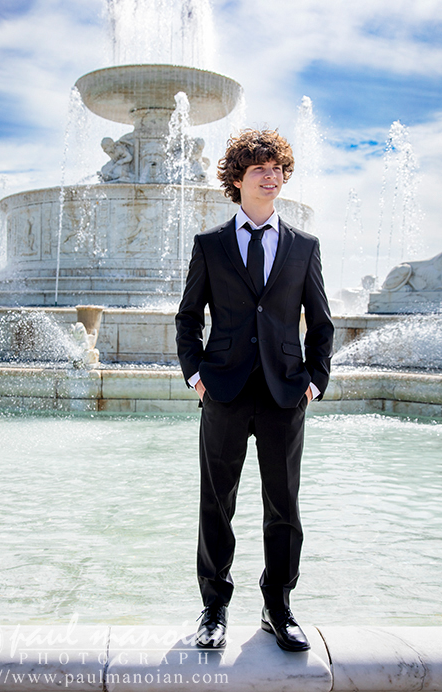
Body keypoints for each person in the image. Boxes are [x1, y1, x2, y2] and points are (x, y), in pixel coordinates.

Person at [175, 129, 334, 652]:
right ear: (237, 180)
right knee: (216, 503)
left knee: (283, 504)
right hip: (222, 388)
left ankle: (278, 607)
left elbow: (322, 322)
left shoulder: (304, 246)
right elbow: (187, 317)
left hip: (286, 392)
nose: (272, 176)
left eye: (278, 168)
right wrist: (195, 374)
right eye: (260, 169)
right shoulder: (210, 245)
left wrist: (315, 380)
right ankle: (214, 607)